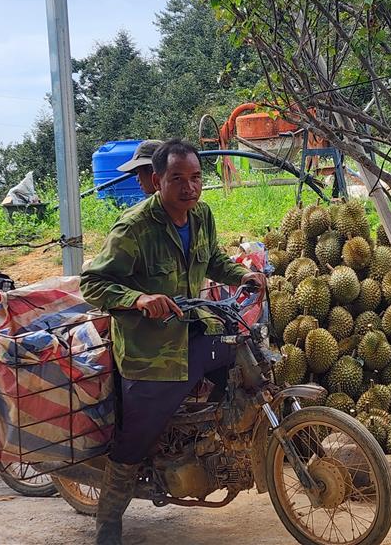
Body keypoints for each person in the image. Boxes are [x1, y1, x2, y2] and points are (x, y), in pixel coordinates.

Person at [80, 138, 265, 545]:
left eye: (196, 177)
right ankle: (108, 525)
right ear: (157, 180)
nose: (189, 187)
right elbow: (92, 283)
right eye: (177, 178)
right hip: (151, 352)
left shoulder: (201, 216)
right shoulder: (134, 228)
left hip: (191, 330)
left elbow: (213, 258)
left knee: (238, 360)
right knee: (132, 442)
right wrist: (139, 299)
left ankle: (199, 448)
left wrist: (241, 275)